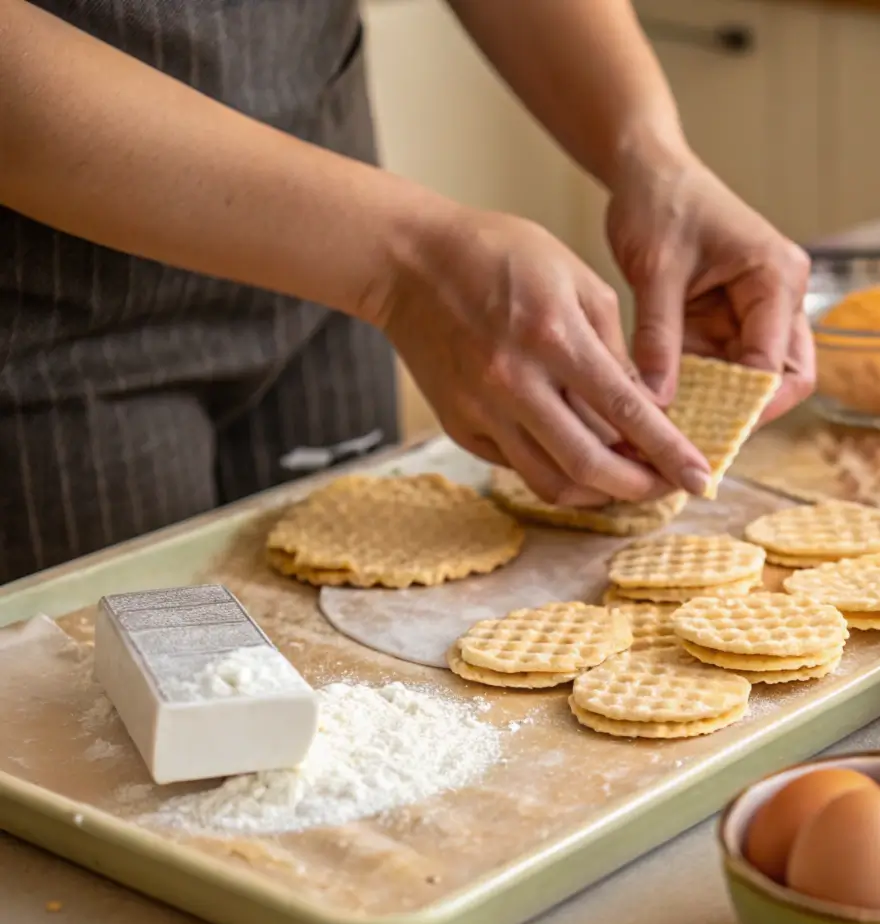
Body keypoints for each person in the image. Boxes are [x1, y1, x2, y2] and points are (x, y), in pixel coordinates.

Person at [0, 0, 815, 585]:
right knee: (96, 741)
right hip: (48, 319)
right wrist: (407, 262)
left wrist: (652, 156)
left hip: (328, 257)